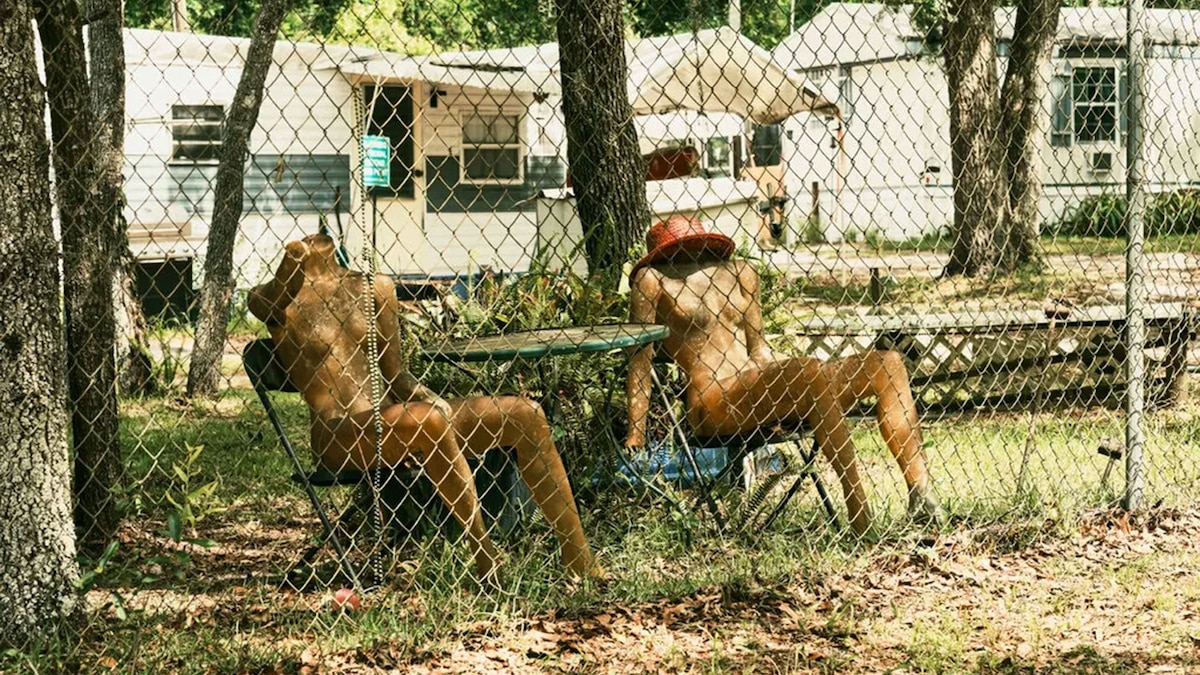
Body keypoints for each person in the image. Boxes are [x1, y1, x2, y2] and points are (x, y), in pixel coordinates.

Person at [248, 234, 602, 581]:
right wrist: (293, 261)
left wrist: (426, 394)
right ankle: (484, 554)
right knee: (426, 420)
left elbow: (396, 375)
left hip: (402, 421)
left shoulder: (373, 287)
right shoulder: (276, 298)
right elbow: (270, 302)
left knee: (525, 414)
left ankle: (578, 555)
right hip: (339, 436)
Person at [624, 216, 941, 536]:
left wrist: (783, 383)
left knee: (887, 364)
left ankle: (922, 497)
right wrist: (636, 434)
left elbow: (760, 350)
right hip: (713, 403)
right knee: (809, 371)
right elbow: (640, 361)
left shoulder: (739, 272)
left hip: (758, 388)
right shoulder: (652, 280)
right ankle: (860, 516)